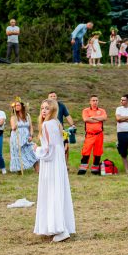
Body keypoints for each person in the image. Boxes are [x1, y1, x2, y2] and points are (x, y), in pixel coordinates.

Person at [33, 99, 75, 242]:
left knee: (52, 192)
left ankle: (59, 228)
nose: (44, 111)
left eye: (47, 108)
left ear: (53, 110)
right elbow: (57, 145)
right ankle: (59, 226)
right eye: (42, 108)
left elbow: (48, 149)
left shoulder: (46, 124)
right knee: (57, 191)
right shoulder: (57, 123)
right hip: (58, 162)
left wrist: (36, 149)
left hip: (51, 163)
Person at [78, 95, 107, 175]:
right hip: (89, 135)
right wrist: (98, 119)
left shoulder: (102, 110)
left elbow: (104, 118)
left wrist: (93, 117)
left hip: (99, 134)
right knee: (86, 152)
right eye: (93, 100)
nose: (95, 102)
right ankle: (82, 170)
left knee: (98, 152)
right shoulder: (86, 110)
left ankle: (95, 170)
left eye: (96, 100)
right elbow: (86, 119)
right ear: (90, 102)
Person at [9, 98, 38, 173]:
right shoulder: (13, 117)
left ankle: (38, 170)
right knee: (18, 153)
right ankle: (19, 170)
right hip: (17, 138)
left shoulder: (27, 116)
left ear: (22, 106)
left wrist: (31, 135)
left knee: (33, 150)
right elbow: (13, 128)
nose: (17, 106)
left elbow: (31, 126)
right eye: (15, 106)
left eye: (18, 105)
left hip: (26, 137)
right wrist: (15, 120)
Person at [48, 92, 74, 163]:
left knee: (66, 147)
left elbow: (67, 116)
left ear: (56, 97)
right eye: (51, 96)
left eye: (54, 96)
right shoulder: (46, 106)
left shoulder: (61, 105)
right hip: (50, 130)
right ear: (48, 98)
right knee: (51, 147)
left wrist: (72, 125)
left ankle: (65, 164)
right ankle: (52, 163)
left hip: (61, 131)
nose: (53, 97)